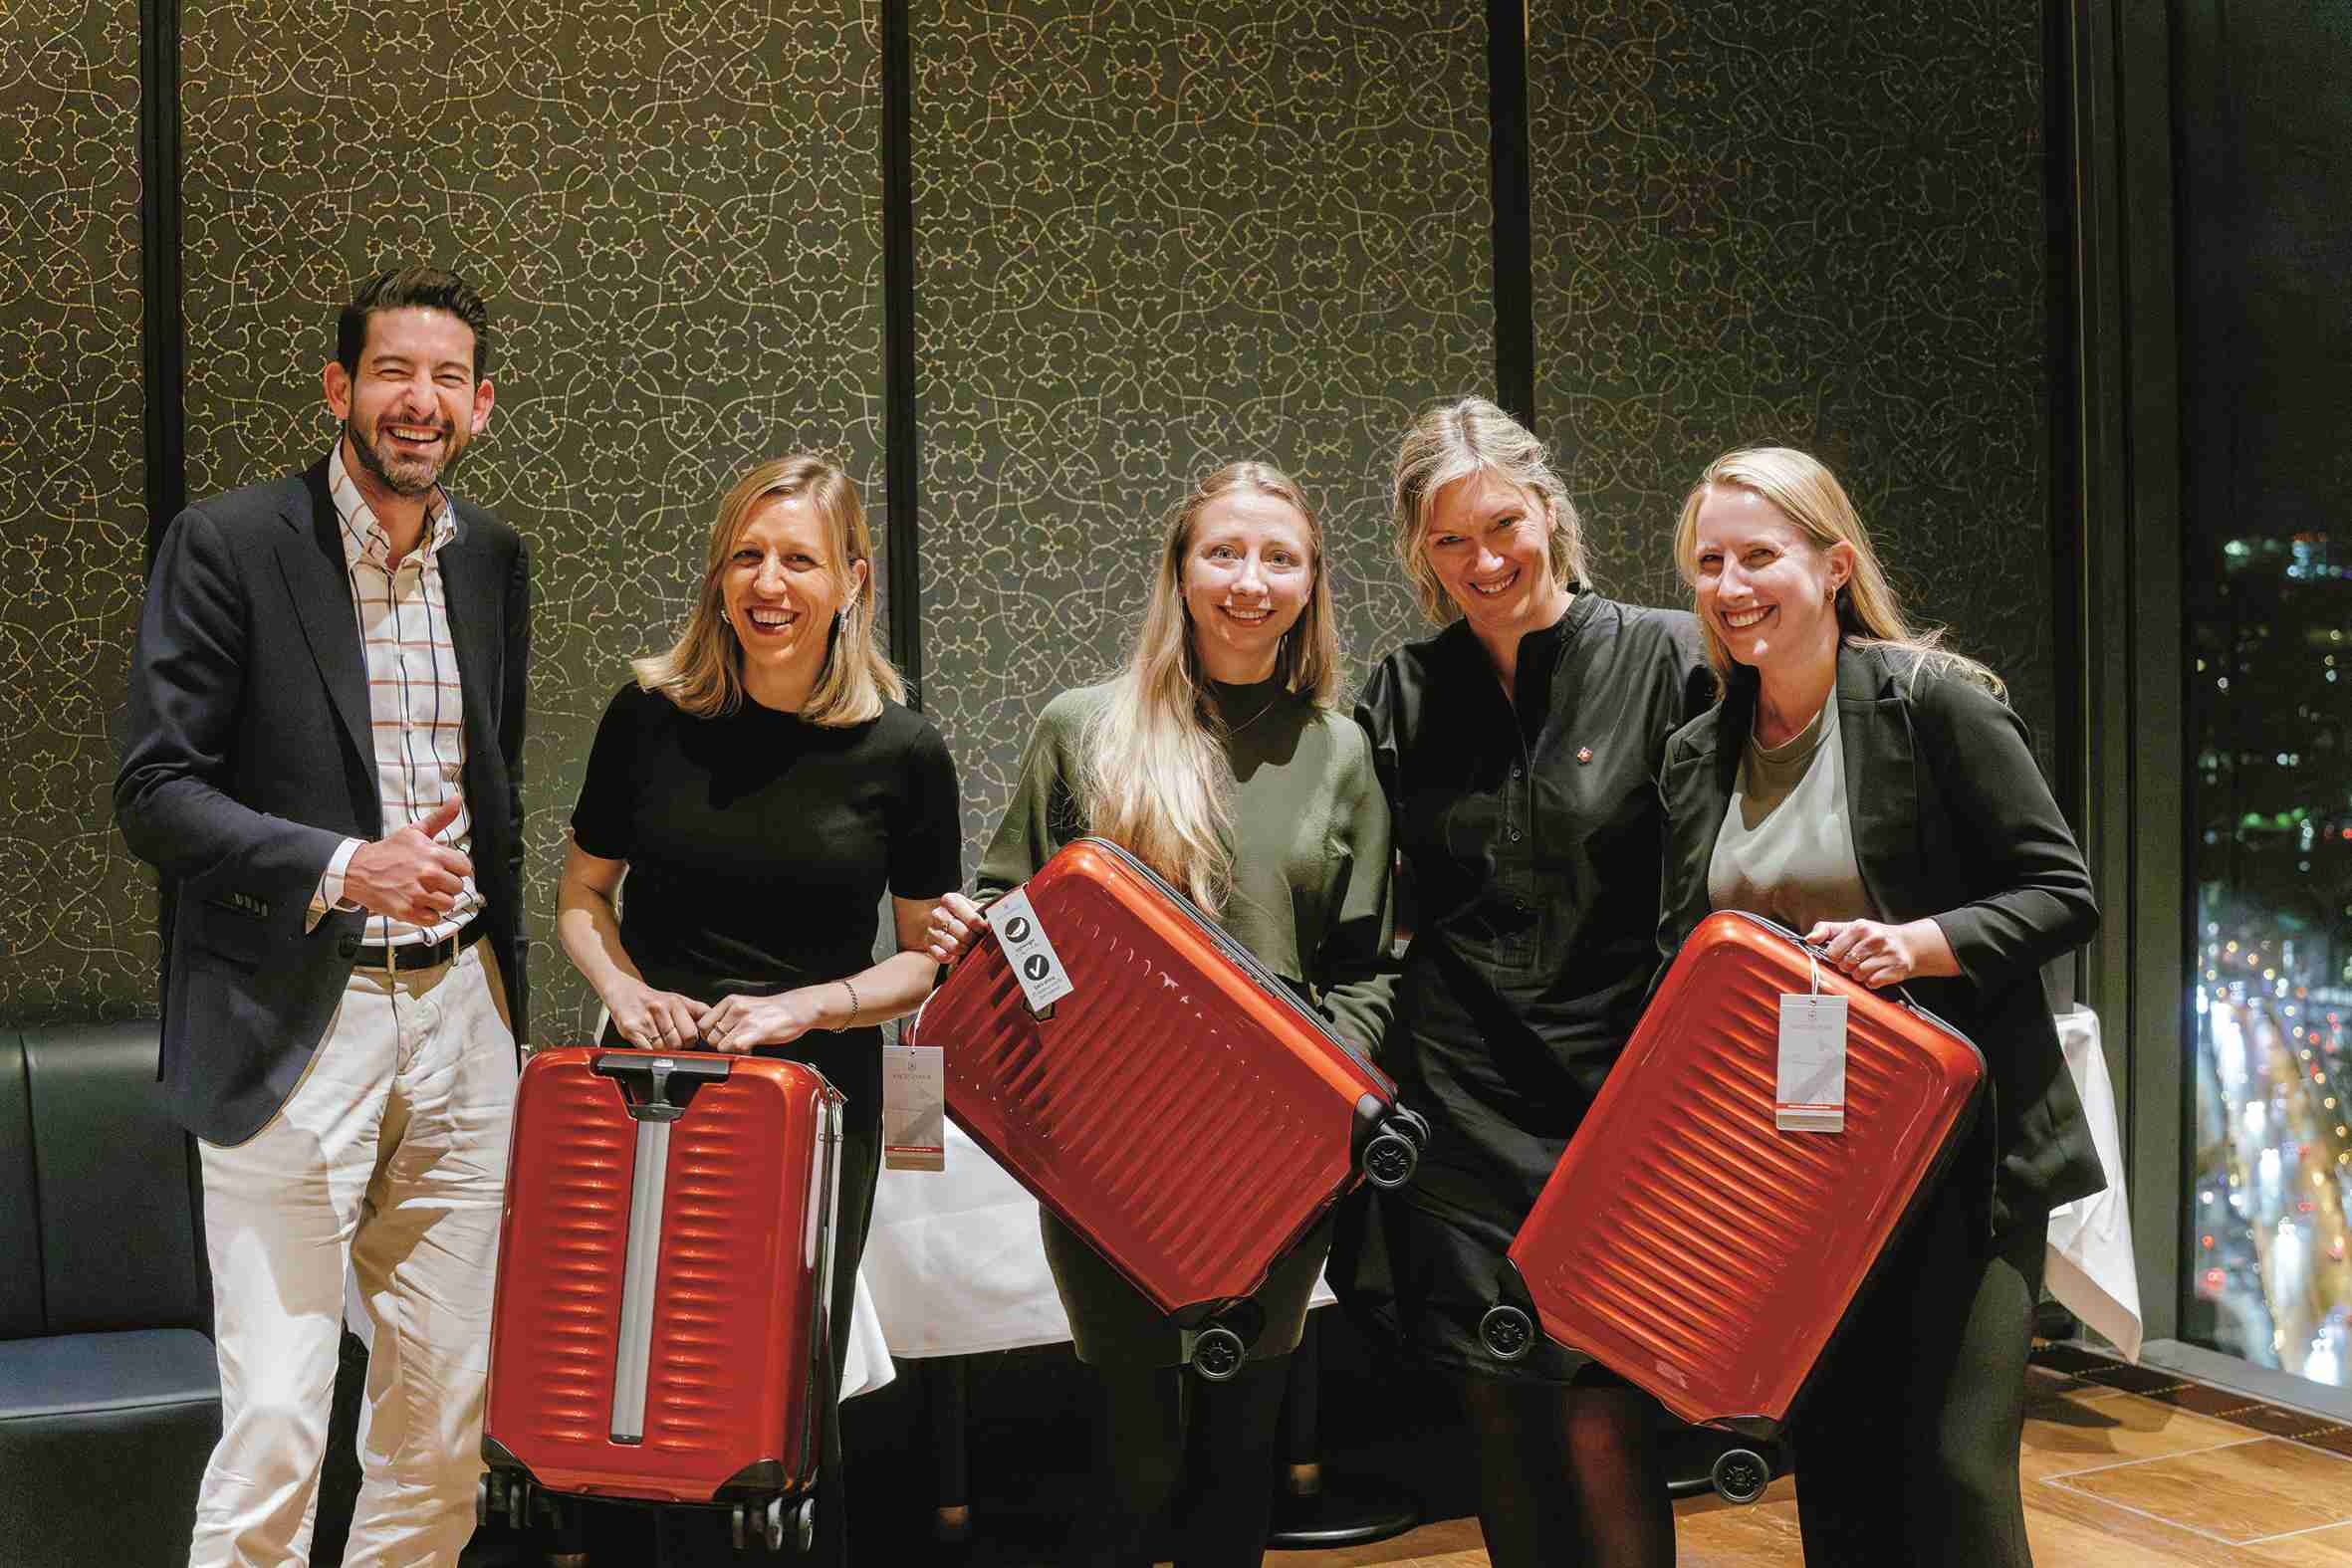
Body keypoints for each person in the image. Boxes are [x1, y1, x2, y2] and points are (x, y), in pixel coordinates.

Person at [115, 265, 529, 1566]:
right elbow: (156, 791)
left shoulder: (495, 562)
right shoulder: (233, 544)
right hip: (293, 1017)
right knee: (282, 1423)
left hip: (461, 1014)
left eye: (447, 378)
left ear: (483, 405)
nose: (421, 401)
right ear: (341, 387)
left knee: (441, 1427)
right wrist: (348, 864)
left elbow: (495, 790)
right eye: (394, 372)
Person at [923, 461, 1395, 1568]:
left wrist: (1323, 1090)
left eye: (1280, 558)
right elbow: (1013, 917)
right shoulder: (1080, 728)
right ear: (1179, 573)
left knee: (1241, 1455)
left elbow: (1368, 964)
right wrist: (972, 937)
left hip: (1276, 1159)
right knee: (1132, 1459)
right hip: (1110, 1154)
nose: (1249, 580)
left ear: (1311, 583)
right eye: (1222, 553)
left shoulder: (1340, 750)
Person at [1656, 446, 2101, 1566]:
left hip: (1963, 1155)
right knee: (1843, 1466)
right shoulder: (1697, 751)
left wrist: (1916, 945)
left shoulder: (1936, 702)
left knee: (1955, 1469)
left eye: (1761, 554)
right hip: (1802, 1168)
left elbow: (2062, 893)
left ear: (1834, 564)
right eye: (1709, 561)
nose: (1732, 583)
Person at [557, 453, 960, 1566]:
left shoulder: (904, 749)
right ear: (717, 576)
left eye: (798, 559)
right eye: (746, 555)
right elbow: (582, 899)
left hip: (818, 1103)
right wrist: (624, 990)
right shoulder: (645, 718)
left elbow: (925, 961)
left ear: (852, 582)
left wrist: (807, 1007)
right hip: (653, 1096)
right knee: (642, 1372)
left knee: (779, 1395)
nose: (768, 583)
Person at [1343, 396, 1710, 1567]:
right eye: (1450, 542)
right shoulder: (1401, 690)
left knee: (1605, 1407)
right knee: (1497, 1398)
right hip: (1460, 1095)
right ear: (1418, 553)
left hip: (1620, 1090)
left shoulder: (1670, 655)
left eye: (1503, 525)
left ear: (1549, 511)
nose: (1484, 561)